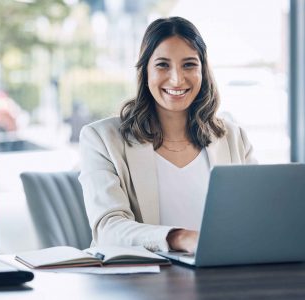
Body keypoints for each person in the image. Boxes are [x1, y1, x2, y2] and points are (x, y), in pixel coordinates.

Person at [78, 16, 256, 254]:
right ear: (146, 71)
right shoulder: (101, 139)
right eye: (162, 65)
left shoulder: (233, 137)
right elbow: (108, 230)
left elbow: (256, 217)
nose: (177, 79)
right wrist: (179, 238)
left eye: (189, 64)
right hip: (140, 283)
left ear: (203, 70)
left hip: (219, 278)